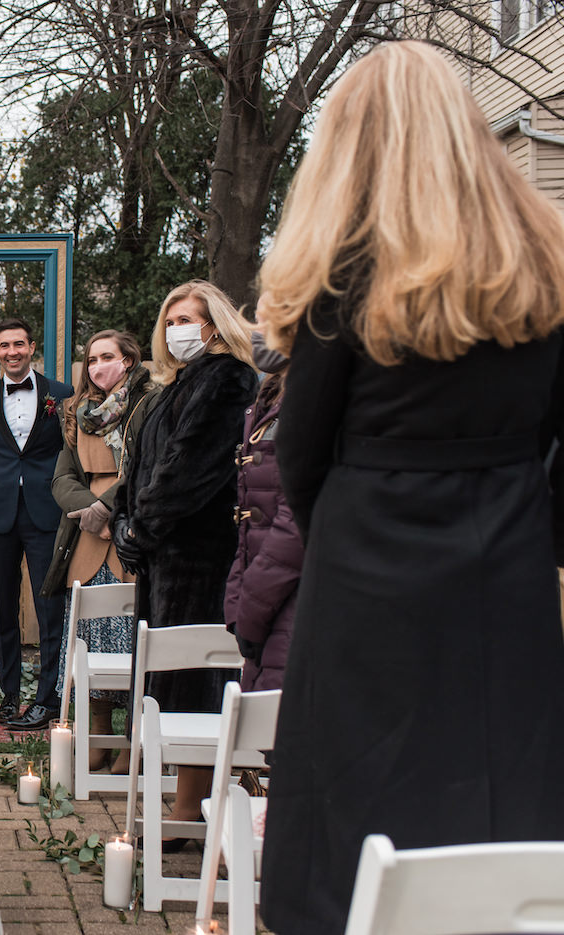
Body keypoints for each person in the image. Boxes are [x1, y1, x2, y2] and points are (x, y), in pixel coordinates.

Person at [256, 41, 564, 935]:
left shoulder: (339, 274)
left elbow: (302, 458)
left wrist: (358, 530)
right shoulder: (544, 265)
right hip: (505, 567)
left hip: (366, 579)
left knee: (355, 829)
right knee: (501, 793)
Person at [109, 279, 257, 832]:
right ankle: (178, 801)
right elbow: (143, 464)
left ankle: (187, 809)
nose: (177, 331)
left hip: (198, 551)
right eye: (169, 322)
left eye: (187, 320)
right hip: (163, 550)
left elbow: (188, 468)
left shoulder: (226, 379)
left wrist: (141, 528)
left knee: (194, 672)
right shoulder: (174, 385)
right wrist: (126, 517)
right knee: (168, 673)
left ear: (214, 325)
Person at [41, 329, 160, 772]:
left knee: (131, 640)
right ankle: (99, 738)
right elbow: (62, 477)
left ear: (128, 360)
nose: (95, 368)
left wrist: (109, 508)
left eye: (105, 357)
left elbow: (147, 468)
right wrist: (88, 511)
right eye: (90, 360)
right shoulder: (78, 411)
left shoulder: (150, 404)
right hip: (86, 536)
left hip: (132, 526)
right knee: (88, 638)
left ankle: (133, 743)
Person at [0, 319, 74, 730]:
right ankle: (8, 694)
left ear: (32, 347)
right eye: (5, 345)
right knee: (2, 608)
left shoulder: (62, 394)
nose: (13, 351)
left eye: (19, 344)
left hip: (46, 511)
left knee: (49, 606)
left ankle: (48, 697)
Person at [222, 329, 302, 692]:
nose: (258, 330)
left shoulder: (310, 401)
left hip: (292, 601)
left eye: (272, 319)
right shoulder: (266, 399)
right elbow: (250, 517)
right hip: (262, 599)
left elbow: (293, 526)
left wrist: (250, 610)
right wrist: (237, 600)